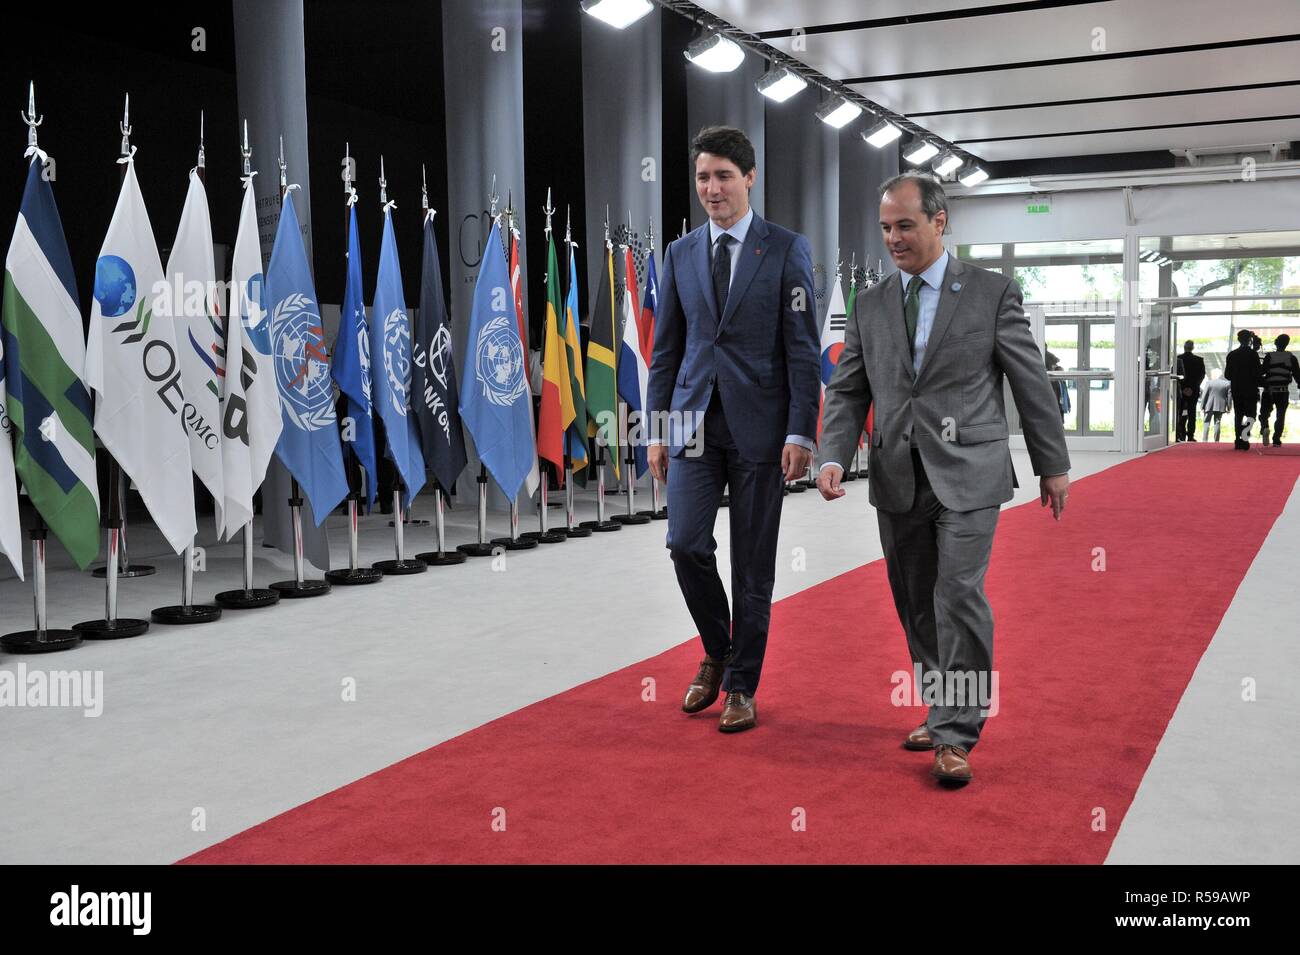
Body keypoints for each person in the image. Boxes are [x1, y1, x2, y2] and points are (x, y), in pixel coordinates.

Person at [817, 172, 1069, 786]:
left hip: (971, 474)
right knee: (916, 604)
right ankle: (942, 704)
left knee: (957, 596)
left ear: (939, 221)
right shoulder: (871, 304)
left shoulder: (991, 292)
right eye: (885, 228)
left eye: (905, 225)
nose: (894, 238)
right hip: (898, 477)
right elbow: (849, 389)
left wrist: (1052, 463)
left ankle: (957, 732)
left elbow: (1028, 380)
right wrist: (832, 452)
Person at [647, 126, 819, 733]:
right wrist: (658, 429)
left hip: (761, 428)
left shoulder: (786, 249)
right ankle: (719, 651)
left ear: (749, 177)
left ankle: (742, 685)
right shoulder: (680, 254)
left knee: (753, 564)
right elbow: (665, 350)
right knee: (685, 542)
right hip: (693, 423)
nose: (711, 188)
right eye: (702, 177)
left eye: (723, 175)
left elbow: (803, 351)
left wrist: (801, 432)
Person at [1258, 334, 1300, 447]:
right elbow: (1297, 375)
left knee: (1264, 413)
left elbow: (1262, 371)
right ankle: (1276, 439)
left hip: (1269, 390)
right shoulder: (1291, 357)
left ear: (1276, 343)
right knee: (1280, 415)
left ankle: (1265, 427)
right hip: (1283, 391)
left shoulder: (1269, 356)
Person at [1224, 329, 1262, 450]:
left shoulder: (1232, 354)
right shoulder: (1253, 354)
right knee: (1251, 415)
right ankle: (1245, 435)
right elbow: (1258, 373)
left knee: (1238, 414)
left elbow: (1227, 375)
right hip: (1250, 389)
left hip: (1237, 389)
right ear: (1249, 340)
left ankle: (1238, 438)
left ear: (1238, 339)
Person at [1174, 340, 1205, 442]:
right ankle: (1190, 435)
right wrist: (1192, 387)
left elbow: (1175, 374)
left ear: (1184, 347)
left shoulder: (1178, 359)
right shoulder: (1199, 360)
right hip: (1194, 390)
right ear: (1193, 348)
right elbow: (1201, 376)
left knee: (1179, 412)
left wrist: (1183, 388)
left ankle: (1179, 434)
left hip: (1180, 390)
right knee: (1192, 413)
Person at [1199, 368, 1231, 442]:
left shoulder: (1209, 383)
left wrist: (1202, 406)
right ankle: (1216, 440)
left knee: (1206, 422)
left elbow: (1204, 395)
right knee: (1217, 422)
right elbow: (1229, 397)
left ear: (1214, 375)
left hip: (1209, 406)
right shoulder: (1227, 383)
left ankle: (1205, 440)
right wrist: (1229, 408)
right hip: (1220, 406)